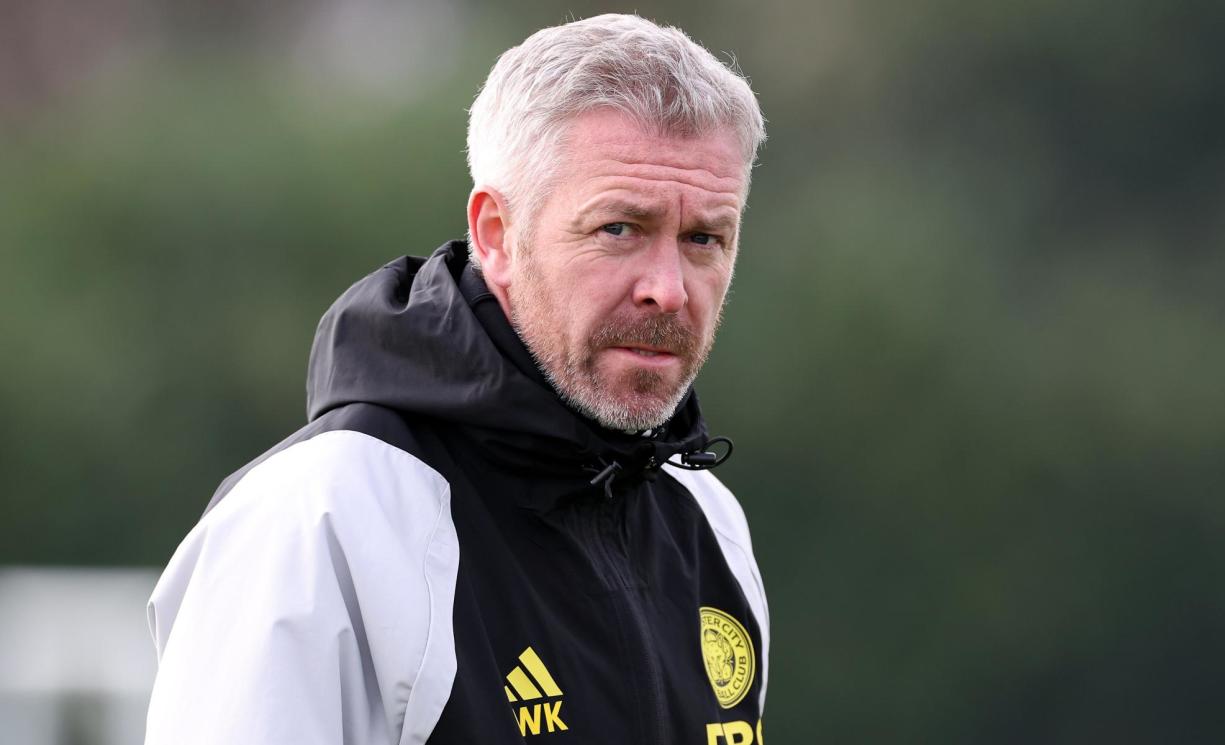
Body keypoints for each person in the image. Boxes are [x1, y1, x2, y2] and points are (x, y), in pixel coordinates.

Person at [145, 13, 768, 745]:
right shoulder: (319, 520)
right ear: (497, 236)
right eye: (619, 229)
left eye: (704, 239)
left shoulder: (708, 520)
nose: (668, 288)